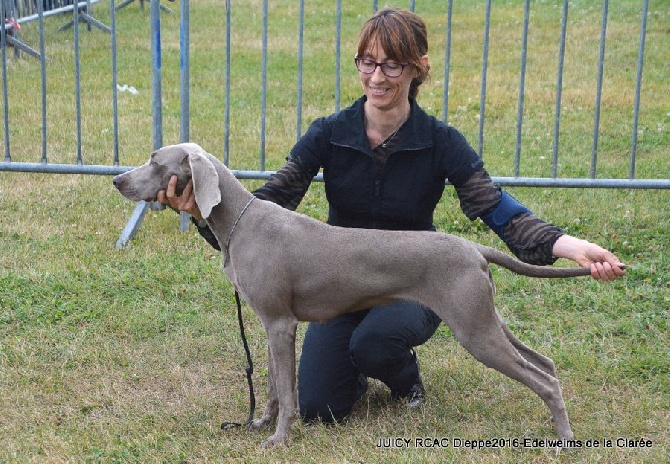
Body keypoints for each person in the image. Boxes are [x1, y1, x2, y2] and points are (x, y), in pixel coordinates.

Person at [158, 8, 625, 424]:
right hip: (337, 280)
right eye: (368, 62)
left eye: (392, 64)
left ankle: (403, 378)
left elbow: (497, 208)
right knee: (320, 406)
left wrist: (573, 249)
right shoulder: (330, 133)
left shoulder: (440, 140)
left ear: (418, 68)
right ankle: (355, 369)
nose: (377, 77)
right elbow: (270, 202)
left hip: (419, 275)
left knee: (376, 344)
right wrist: (205, 209)